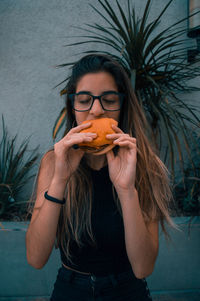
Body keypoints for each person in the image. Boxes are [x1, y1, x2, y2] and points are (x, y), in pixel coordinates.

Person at [26, 54, 176, 300]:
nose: (96, 110)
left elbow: (143, 267)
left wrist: (127, 190)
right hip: (70, 289)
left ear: (122, 105)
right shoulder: (54, 162)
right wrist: (60, 181)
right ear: (73, 107)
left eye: (108, 99)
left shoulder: (145, 164)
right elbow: (35, 258)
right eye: (84, 100)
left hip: (127, 290)